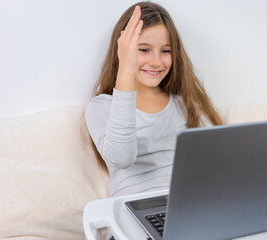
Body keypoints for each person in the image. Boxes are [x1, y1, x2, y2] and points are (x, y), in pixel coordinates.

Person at [85, 1, 223, 201]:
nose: (156, 61)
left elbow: (216, 158)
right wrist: (126, 68)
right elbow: (121, 158)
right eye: (144, 50)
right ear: (123, 51)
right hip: (131, 211)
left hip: (185, 205)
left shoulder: (184, 104)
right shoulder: (102, 107)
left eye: (165, 51)